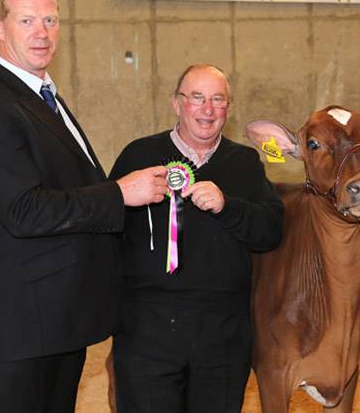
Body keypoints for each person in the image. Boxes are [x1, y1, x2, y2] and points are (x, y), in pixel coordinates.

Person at [0, 0, 169, 413]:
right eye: (26, 21)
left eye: (51, 20)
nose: (41, 33)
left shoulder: (42, 97)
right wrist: (118, 193)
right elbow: (24, 210)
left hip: (55, 320)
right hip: (18, 325)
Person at [109, 64, 284, 413]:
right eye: (197, 98)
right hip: (148, 329)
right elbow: (107, 230)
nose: (207, 110)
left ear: (228, 109)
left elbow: (270, 231)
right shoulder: (139, 155)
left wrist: (228, 206)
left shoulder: (245, 162)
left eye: (218, 100)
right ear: (177, 103)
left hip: (223, 331)